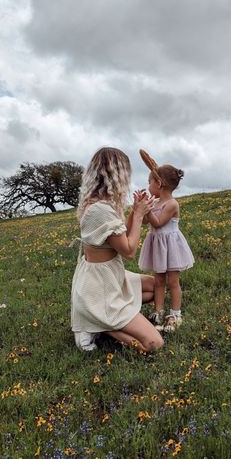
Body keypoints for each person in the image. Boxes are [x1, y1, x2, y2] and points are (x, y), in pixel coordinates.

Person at [71, 147, 165, 353]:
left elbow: (121, 235)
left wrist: (134, 211)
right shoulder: (100, 210)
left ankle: (101, 319)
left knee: (153, 285)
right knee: (154, 344)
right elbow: (129, 251)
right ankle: (95, 323)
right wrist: (139, 215)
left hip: (107, 276)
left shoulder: (100, 204)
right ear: (117, 174)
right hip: (99, 287)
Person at [137, 157, 194, 332]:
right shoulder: (155, 202)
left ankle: (175, 315)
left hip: (171, 247)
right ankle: (158, 312)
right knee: (158, 281)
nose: (148, 187)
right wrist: (143, 208)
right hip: (158, 246)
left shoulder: (172, 204)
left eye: (150, 183)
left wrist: (147, 210)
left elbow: (158, 223)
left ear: (159, 184)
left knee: (173, 282)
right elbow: (147, 222)